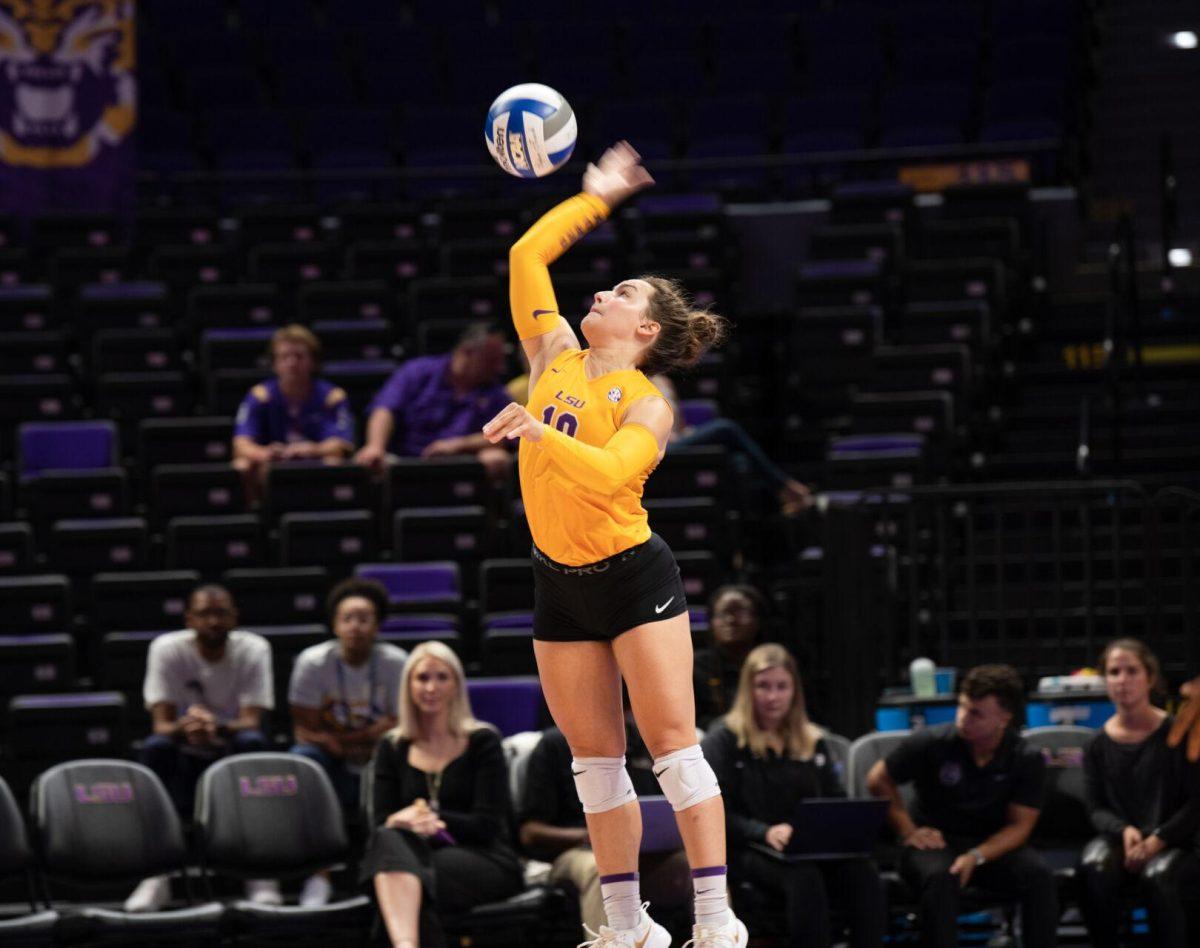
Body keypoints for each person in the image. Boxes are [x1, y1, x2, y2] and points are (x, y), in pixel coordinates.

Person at [479, 141, 747, 948]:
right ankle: (627, 926)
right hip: (559, 581)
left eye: (621, 291)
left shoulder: (648, 402)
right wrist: (594, 196)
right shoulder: (552, 352)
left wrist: (536, 430)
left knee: (672, 749)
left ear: (646, 327)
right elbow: (528, 252)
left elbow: (607, 478)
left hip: (634, 576)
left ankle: (713, 917)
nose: (600, 289)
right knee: (594, 765)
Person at [703, 644, 884, 948]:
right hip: (750, 845)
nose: (773, 697)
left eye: (781, 687)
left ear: (794, 691)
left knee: (864, 873)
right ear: (748, 689)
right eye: (763, 686)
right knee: (804, 876)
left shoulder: (813, 740)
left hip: (807, 845)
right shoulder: (724, 739)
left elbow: (835, 800)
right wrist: (765, 831)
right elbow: (716, 812)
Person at [865, 663, 1057, 948]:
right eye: (962, 707)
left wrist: (977, 855)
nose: (963, 718)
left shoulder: (1025, 758)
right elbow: (877, 778)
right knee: (943, 877)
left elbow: (1020, 825)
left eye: (976, 713)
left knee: (1039, 875)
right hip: (934, 843)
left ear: (1004, 717)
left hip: (989, 846)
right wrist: (908, 831)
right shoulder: (933, 742)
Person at [125, 585, 278, 912]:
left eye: (221, 613)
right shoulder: (167, 649)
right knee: (154, 748)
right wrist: (189, 728)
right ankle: (157, 875)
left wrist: (215, 727)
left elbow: (251, 721)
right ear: (189, 619)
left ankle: (260, 873)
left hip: (229, 750)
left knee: (254, 743)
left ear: (235, 617)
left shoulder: (254, 649)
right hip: (184, 752)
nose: (213, 621)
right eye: (204, 614)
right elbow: (161, 725)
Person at [360, 641, 523, 948]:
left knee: (397, 876)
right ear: (408, 685)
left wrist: (429, 819)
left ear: (456, 685)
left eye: (441, 677)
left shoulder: (482, 741)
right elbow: (381, 824)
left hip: (484, 857)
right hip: (411, 857)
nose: (431, 687)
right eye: (422, 678)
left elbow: (487, 826)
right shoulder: (392, 746)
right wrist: (402, 821)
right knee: (397, 859)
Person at [517, 699, 692, 934]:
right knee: (605, 869)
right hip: (577, 851)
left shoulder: (642, 744)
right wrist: (590, 835)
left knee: (697, 864)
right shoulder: (555, 745)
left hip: (639, 850)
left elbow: (655, 810)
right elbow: (530, 832)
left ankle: (714, 936)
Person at [289, 577, 408, 908]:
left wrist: (370, 741)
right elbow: (304, 730)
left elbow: (407, 724)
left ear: (378, 625)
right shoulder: (312, 663)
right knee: (303, 759)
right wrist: (358, 738)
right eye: (347, 618)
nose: (355, 626)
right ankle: (318, 876)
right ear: (335, 624)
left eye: (364, 618)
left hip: (379, 759)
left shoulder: (397, 663)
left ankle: (386, 873)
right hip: (334, 760)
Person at [1079, 638, 1200, 948]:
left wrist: (1160, 837)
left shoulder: (1180, 733)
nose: (1123, 680)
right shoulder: (1095, 744)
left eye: (1132, 671)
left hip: (1178, 840)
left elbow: (1195, 804)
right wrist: (1124, 830)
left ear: (1150, 677)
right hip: (1125, 838)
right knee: (1094, 866)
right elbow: (1096, 808)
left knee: (1159, 876)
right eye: (1114, 672)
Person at [354, 322, 513, 481]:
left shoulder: (495, 392)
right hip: (405, 460)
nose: (500, 368)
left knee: (496, 457)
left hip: (462, 464)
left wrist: (457, 445)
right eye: (492, 360)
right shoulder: (418, 372)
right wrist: (375, 446)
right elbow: (385, 408)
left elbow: (506, 434)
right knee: (368, 460)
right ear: (468, 352)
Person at [652, 374, 811, 515]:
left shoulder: (663, 380)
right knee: (725, 428)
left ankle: (742, 532)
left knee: (737, 461)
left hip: (677, 441)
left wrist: (685, 432)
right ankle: (784, 487)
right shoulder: (635, 383)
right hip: (656, 448)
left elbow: (678, 422)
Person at [232, 324, 355, 500]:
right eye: (284, 357)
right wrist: (266, 453)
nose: (292, 363)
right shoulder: (260, 396)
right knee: (242, 465)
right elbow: (241, 444)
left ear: (313, 362)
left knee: (335, 462)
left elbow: (342, 445)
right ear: (274, 364)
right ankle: (257, 517)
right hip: (273, 464)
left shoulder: (332, 397)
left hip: (315, 460)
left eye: (299, 356)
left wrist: (312, 449)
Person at [694, 585, 768, 729]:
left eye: (739, 612)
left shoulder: (772, 663)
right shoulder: (696, 666)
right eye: (722, 613)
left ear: (757, 619)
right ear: (711, 622)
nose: (731, 620)